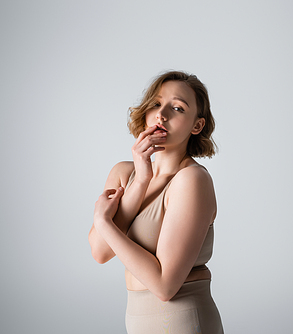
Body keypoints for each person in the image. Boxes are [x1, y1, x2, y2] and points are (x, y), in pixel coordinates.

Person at [88, 71, 224, 333]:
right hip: (138, 322)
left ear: (196, 126)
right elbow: (100, 253)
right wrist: (140, 181)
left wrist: (103, 222)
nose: (162, 115)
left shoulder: (192, 180)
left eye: (177, 108)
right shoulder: (123, 173)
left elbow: (164, 286)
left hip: (183, 321)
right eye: (156, 104)